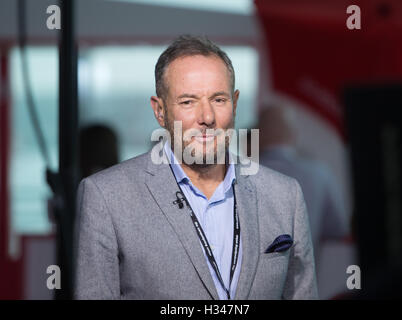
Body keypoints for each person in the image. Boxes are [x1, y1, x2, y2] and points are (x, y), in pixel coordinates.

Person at [74, 35, 318, 300]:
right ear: (160, 111)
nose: (207, 117)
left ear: (235, 104)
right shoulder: (107, 196)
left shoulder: (285, 195)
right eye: (188, 101)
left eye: (219, 100)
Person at [258, 105, 349, 264]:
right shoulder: (319, 173)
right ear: (293, 135)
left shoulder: (236, 175)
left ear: (257, 135)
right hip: (304, 278)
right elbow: (338, 228)